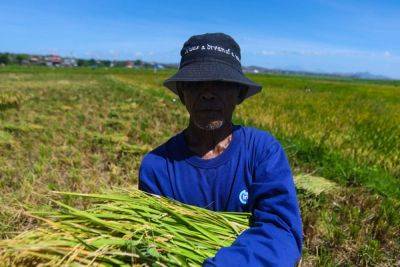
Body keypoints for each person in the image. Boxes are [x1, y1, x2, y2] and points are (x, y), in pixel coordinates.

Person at [138, 32, 303, 266]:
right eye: (196, 84)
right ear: (183, 94)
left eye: (220, 84)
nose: (207, 93)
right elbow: (156, 243)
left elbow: (281, 231)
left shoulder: (262, 152)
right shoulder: (157, 167)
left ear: (239, 94)